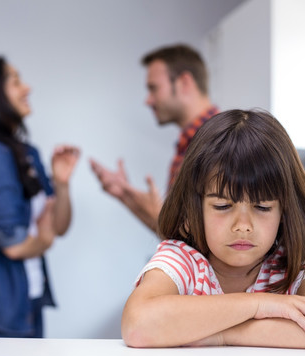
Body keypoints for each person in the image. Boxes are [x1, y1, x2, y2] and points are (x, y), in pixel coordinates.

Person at [121, 109, 305, 349]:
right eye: (223, 206)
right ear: (194, 208)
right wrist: (257, 305)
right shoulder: (182, 261)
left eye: (262, 207)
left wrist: (224, 335)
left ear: (284, 212)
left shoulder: (293, 267)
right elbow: (138, 325)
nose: (243, 226)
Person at [0, 56, 80, 337]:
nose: (27, 88)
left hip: (28, 299)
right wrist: (44, 239)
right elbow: (15, 245)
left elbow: (59, 226)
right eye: (15, 81)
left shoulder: (27, 153)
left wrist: (61, 184)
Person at [90, 44, 219, 233]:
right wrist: (126, 196)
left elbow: (205, 242)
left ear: (184, 82)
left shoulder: (219, 143)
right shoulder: (190, 144)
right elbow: (176, 239)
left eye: (154, 88)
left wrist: (155, 211)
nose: (148, 100)